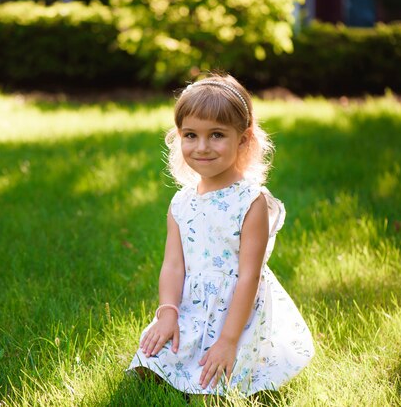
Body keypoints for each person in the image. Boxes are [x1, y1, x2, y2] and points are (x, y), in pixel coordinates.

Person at [127, 74, 314, 397]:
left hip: (238, 312)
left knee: (221, 381)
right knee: (149, 362)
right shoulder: (181, 202)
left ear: (243, 139)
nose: (202, 147)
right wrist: (168, 312)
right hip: (192, 307)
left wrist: (228, 340)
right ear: (178, 136)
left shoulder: (250, 201)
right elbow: (173, 266)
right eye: (190, 135)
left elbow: (249, 277)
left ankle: (228, 359)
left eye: (216, 135)